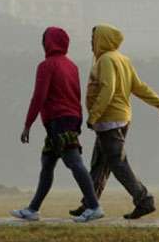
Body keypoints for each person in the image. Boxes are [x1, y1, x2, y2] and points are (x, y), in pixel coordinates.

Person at [70, 24, 159, 220]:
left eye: (94, 39)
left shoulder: (106, 60)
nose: (91, 43)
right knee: (100, 163)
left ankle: (144, 200)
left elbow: (107, 89)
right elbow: (139, 87)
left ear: (103, 40)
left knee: (117, 163)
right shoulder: (122, 59)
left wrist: (93, 116)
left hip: (109, 120)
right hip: (120, 118)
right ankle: (89, 203)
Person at [11, 27, 104, 223]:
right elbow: (76, 95)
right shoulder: (72, 66)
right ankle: (33, 209)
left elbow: (39, 96)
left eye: (44, 40)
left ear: (48, 42)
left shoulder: (46, 66)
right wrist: (78, 119)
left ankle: (94, 206)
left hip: (58, 121)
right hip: (69, 119)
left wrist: (28, 124)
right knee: (47, 164)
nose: (43, 43)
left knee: (74, 162)